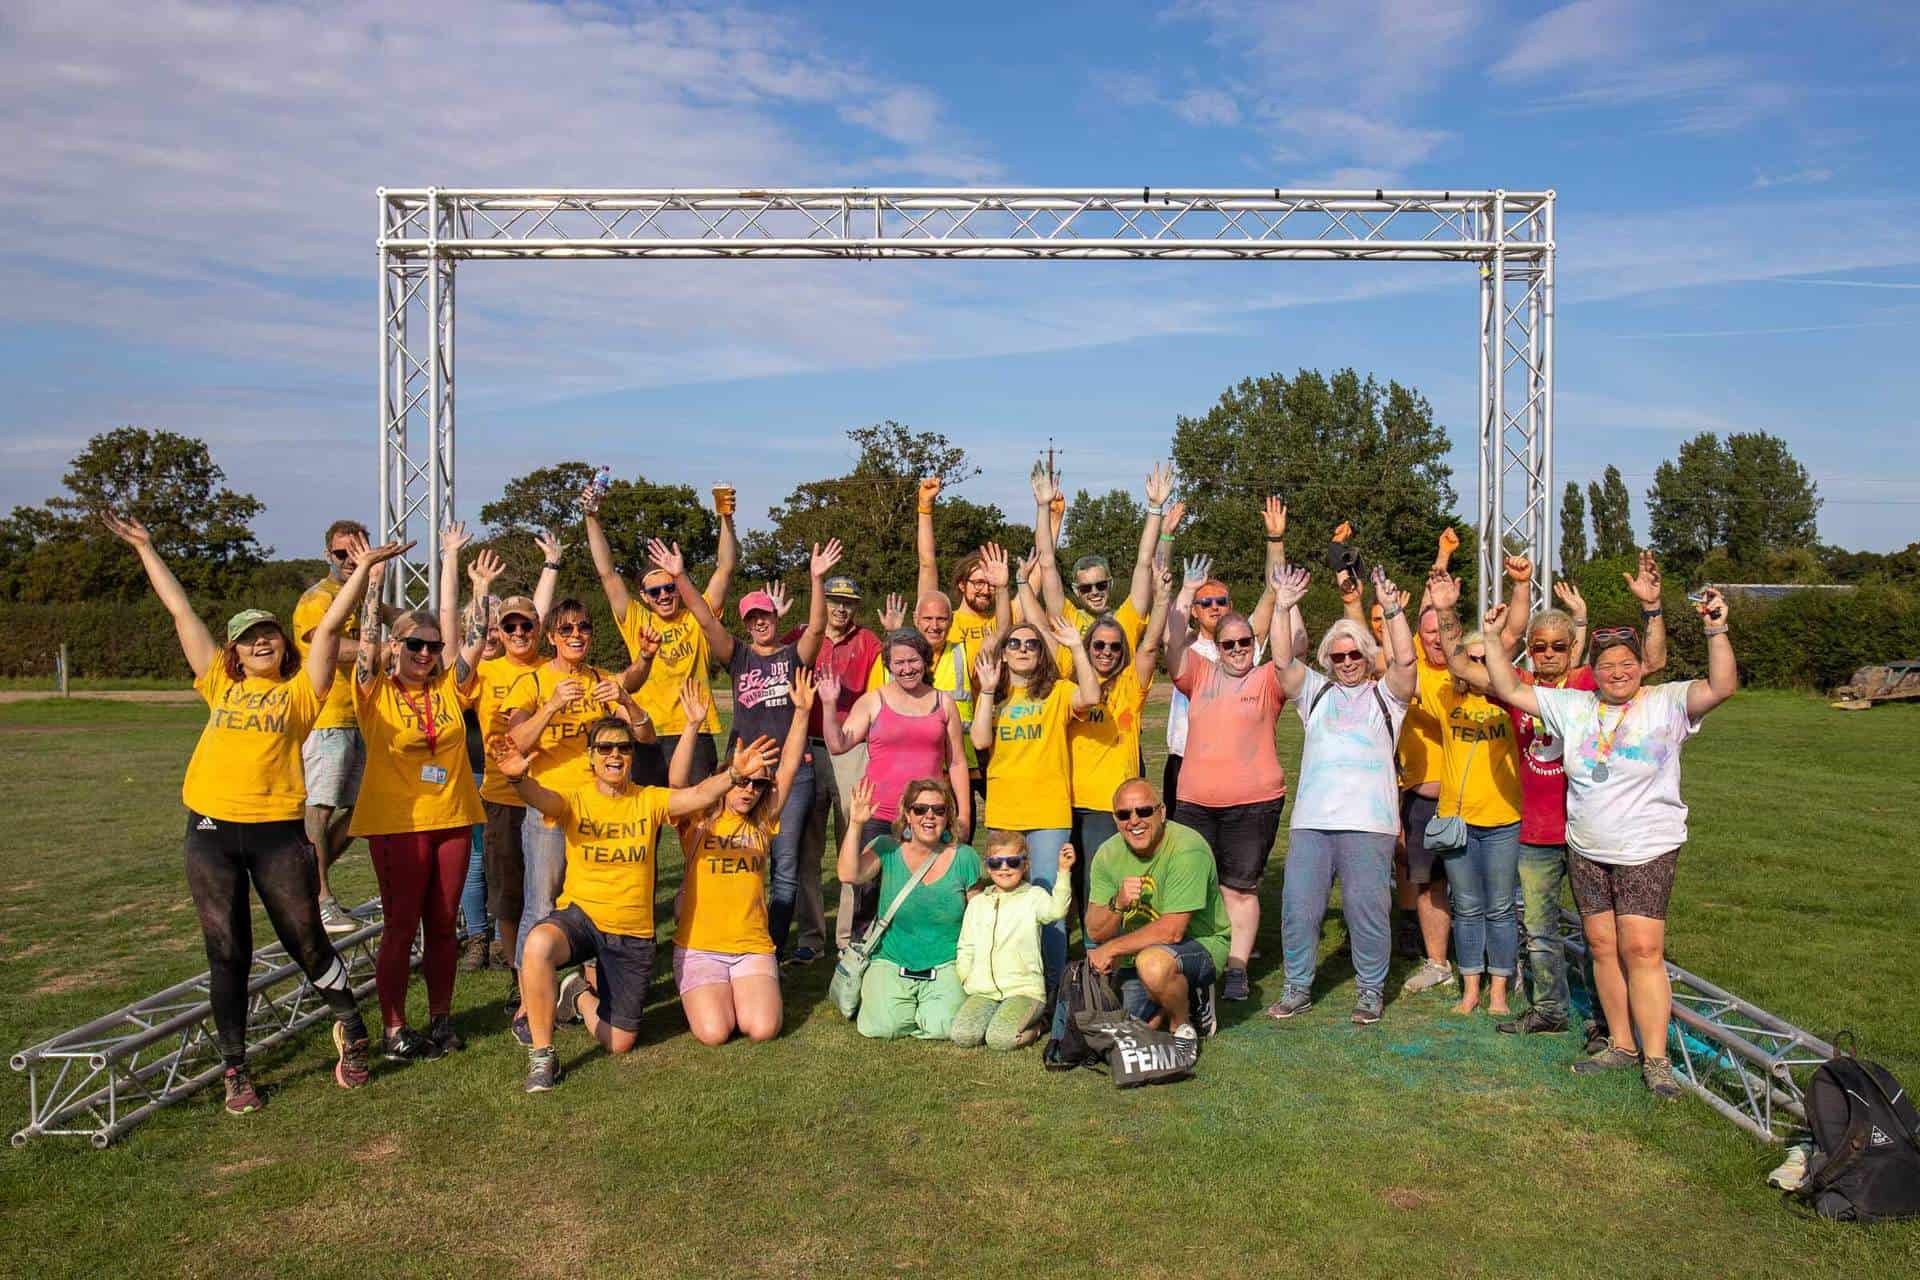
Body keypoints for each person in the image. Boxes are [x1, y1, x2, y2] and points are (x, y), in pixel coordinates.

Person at [104, 512, 404, 1112]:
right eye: (248, 637)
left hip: (275, 835)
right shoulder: (219, 683)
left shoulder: (300, 693)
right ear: (235, 652)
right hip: (211, 833)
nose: (261, 640)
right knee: (228, 951)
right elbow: (181, 612)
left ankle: (351, 1025)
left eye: (268, 633)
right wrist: (146, 548)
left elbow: (326, 634)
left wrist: (365, 573)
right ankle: (234, 1069)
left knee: (308, 942)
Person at [1483, 589, 1737, 1098]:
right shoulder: (1575, 705)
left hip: (1648, 847)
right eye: (1607, 664)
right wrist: (1492, 637)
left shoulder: (1666, 702)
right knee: (1602, 947)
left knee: (1641, 949)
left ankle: (1657, 1059)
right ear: (1592, 669)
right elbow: (1509, 687)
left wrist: (1715, 629)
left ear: (1642, 665)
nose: (1617, 672)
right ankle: (1621, 1045)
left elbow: (1722, 686)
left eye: (1626, 663)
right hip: (1587, 847)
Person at [496, 721, 778, 1090]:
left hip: (631, 933)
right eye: (606, 748)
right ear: (591, 756)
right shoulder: (576, 797)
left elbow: (697, 795)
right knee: (538, 944)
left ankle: (579, 994)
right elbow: (543, 799)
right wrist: (519, 781)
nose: (615, 755)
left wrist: (734, 776)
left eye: (624, 748)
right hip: (582, 917)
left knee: (620, 1042)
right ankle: (543, 1056)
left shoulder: (648, 800)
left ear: (631, 756)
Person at [648, 536, 840, 959]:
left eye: (764, 616)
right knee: (733, 853)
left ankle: (768, 946)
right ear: (746, 623)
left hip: (791, 769)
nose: (759, 623)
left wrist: (817, 579)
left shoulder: (794, 655)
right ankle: (727, 933)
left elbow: (819, 627)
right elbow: (705, 620)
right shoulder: (737, 657)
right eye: (751, 618)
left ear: (774, 616)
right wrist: (679, 578)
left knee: (784, 864)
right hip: (741, 774)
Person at [344, 525, 496, 1060]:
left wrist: (478, 591)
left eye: (432, 646)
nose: (426, 654)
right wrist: (371, 581)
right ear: (396, 646)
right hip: (396, 826)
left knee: (443, 921)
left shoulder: (450, 690)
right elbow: (364, 645)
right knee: (401, 924)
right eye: (415, 644)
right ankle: (392, 1028)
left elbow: (474, 639)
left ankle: (441, 1018)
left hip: (453, 817)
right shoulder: (373, 689)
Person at [1264, 567, 1417, 1024]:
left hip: (1369, 826)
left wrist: (1391, 612)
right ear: (1328, 661)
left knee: (1367, 912)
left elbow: (1406, 665)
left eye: (1354, 654)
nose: (1347, 661)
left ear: (1368, 656)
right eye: (1338, 656)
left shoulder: (1387, 698)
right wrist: (1284, 605)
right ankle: (1297, 987)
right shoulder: (1315, 693)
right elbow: (1281, 663)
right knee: (1299, 909)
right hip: (1312, 822)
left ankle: (1370, 990)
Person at [502, 595, 653, 1042]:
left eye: (583, 628)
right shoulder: (533, 681)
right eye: (566, 630)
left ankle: (588, 991)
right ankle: (529, 1005)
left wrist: (625, 694)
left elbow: (642, 733)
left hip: (599, 812)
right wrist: (550, 707)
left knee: (595, 903)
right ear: (550, 637)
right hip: (551, 808)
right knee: (542, 903)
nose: (576, 637)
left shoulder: (602, 681)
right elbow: (516, 742)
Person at [1164, 553, 1304, 1002]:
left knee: (1240, 888)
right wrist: (1184, 595)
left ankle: (1238, 968)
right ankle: (1195, 958)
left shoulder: (1268, 679)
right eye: (1230, 644)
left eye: (1245, 643)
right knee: (1191, 885)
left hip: (1254, 804)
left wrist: (1282, 605)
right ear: (1217, 648)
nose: (1239, 650)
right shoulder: (1199, 674)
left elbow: (1287, 654)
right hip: (1196, 803)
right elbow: (1171, 646)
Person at [670, 671, 816, 1043]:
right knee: (715, 1033)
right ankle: (714, 990)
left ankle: (738, 988)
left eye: (759, 784)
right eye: (743, 781)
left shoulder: (763, 822)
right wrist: (692, 726)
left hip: (751, 946)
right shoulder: (700, 816)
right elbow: (676, 784)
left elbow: (788, 767)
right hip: (700, 947)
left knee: (763, 1028)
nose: (750, 789)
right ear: (729, 777)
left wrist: (801, 714)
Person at [969, 614, 1101, 990]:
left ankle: (1053, 987)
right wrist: (989, 691)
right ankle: (1015, 982)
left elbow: (1091, 696)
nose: (1023, 649)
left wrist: (1076, 646)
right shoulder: (993, 694)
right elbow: (979, 741)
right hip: (1005, 812)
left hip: (1048, 813)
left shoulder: (1058, 692)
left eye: (1032, 644)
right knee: (1009, 901)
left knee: (1049, 902)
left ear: (1042, 654)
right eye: (1015, 644)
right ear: (1005, 654)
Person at [456, 532, 563, 974]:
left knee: (551, 891)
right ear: (498, 632)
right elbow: (462, 641)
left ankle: (552, 969)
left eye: (526, 625)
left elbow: (542, 610)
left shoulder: (553, 666)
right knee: (507, 894)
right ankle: (521, 976)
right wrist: (480, 592)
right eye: (510, 626)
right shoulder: (484, 671)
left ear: (538, 630)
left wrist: (551, 566)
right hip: (501, 797)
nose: (519, 632)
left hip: (552, 795)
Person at [821, 628, 972, 941]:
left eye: (913, 661)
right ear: (888, 665)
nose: (907, 669)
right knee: (870, 895)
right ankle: (862, 961)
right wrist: (828, 705)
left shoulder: (944, 704)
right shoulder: (873, 701)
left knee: (930, 889)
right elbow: (837, 744)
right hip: (878, 815)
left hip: (927, 816)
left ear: (925, 661)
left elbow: (957, 761)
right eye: (899, 662)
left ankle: (923, 956)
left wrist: (964, 815)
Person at [583, 480, 737, 785]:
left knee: (696, 823)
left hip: (696, 729)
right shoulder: (636, 618)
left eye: (670, 588)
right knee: (644, 822)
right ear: (643, 596)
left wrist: (726, 518)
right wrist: (591, 517)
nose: (664, 595)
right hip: (647, 733)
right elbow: (607, 573)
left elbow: (725, 569)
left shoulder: (697, 615)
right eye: (655, 592)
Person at [291, 518, 395, 934]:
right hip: (326, 718)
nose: (350, 561)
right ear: (326, 555)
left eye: (357, 552)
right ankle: (319, 898)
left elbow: (402, 617)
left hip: (361, 718)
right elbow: (326, 645)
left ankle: (305, 884)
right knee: (320, 808)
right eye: (341, 554)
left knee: (359, 812)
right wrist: (385, 648)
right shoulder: (319, 598)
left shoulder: (362, 595)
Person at [1161, 497, 1288, 818]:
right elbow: (1158, 586)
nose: (1215, 606)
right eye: (1206, 602)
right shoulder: (1183, 645)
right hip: (1185, 762)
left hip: (1238, 764)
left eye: (1221, 601)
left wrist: (1275, 540)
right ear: (1192, 610)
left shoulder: (1243, 643)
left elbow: (1273, 592)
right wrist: (1166, 538)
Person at [1062, 562, 1173, 925]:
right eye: (1098, 645)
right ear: (1088, 645)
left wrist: (1163, 598)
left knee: (1100, 886)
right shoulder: (1071, 684)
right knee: (1067, 889)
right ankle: (1064, 970)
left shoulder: (1131, 685)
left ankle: (1103, 959)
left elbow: (1152, 643)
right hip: (1063, 802)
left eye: (1113, 646)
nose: (1106, 652)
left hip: (1104, 805)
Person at [1078, 778, 1231, 1041]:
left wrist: (1111, 949)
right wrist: (1118, 903)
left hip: (1200, 943)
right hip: (1137, 954)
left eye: (1144, 811)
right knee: (1125, 1033)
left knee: (1153, 964)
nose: (1134, 821)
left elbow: (1172, 931)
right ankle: (1172, 997)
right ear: (1115, 820)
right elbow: (1095, 929)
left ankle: (1183, 1023)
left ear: (1162, 812)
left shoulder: (1187, 848)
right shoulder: (1107, 854)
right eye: (1124, 814)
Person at [838, 776, 983, 1041]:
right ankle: (900, 1002)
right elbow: (848, 874)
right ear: (907, 814)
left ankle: (927, 1006)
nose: (929, 816)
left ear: (947, 816)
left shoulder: (965, 857)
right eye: (920, 809)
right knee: (882, 1027)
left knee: (942, 1027)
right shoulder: (887, 849)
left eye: (938, 810)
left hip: (946, 963)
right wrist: (856, 824)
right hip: (891, 960)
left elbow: (979, 916)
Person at [791, 574, 884, 961]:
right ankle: (811, 939)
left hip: (851, 748)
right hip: (809, 749)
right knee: (806, 850)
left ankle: (848, 939)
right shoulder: (801, 635)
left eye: (848, 602)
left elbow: (878, 696)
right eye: (833, 600)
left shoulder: (869, 642)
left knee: (853, 842)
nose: (841, 608)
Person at [951, 832, 1074, 1050]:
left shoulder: (1034, 896)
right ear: (988, 867)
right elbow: (965, 945)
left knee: (1001, 1039)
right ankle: (997, 1017)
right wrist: (965, 977)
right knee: (963, 1035)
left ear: (1025, 865)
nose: (1004, 868)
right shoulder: (978, 903)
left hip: (1024, 990)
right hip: (983, 990)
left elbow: (1057, 911)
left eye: (1013, 862)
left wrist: (1063, 872)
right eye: (996, 863)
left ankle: (1040, 1025)